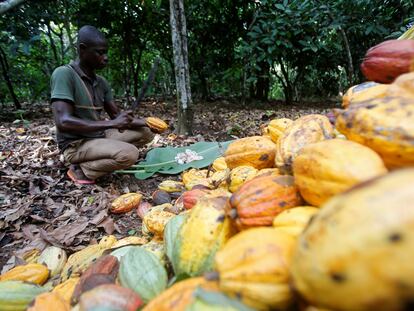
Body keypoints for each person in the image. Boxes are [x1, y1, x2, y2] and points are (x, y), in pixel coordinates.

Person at [50, 25, 154, 184]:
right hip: (76, 144)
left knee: (146, 132)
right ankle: (83, 170)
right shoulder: (64, 74)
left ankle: (99, 157)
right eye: (100, 52)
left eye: (106, 52)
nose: (105, 57)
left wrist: (149, 122)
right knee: (130, 154)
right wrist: (112, 123)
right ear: (82, 49)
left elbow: (116, 117)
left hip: (98, 136)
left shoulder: (101, 83)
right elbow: (63, 121)